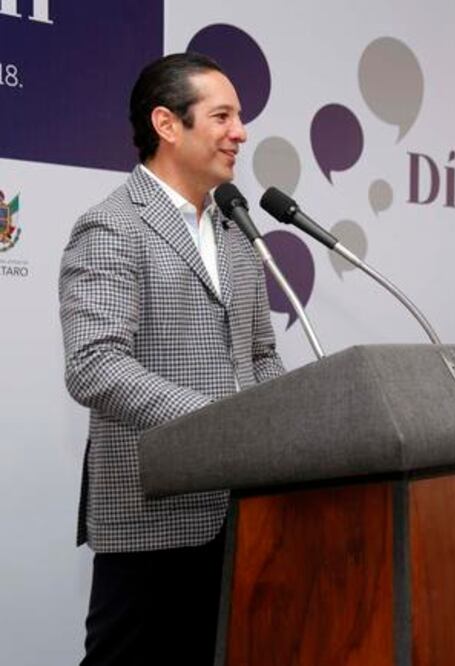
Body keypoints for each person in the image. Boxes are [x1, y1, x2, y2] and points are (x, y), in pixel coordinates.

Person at [58, 53, 284, 665]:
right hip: (152, 519)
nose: (241, 131)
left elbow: (260, 355)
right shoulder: (110, 227)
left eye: (239, 117)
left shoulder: (236, 231)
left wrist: (287, 426)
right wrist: (216, 424)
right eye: (223, 115)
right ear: (166, 124)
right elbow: (96, 364)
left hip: (245, 516)